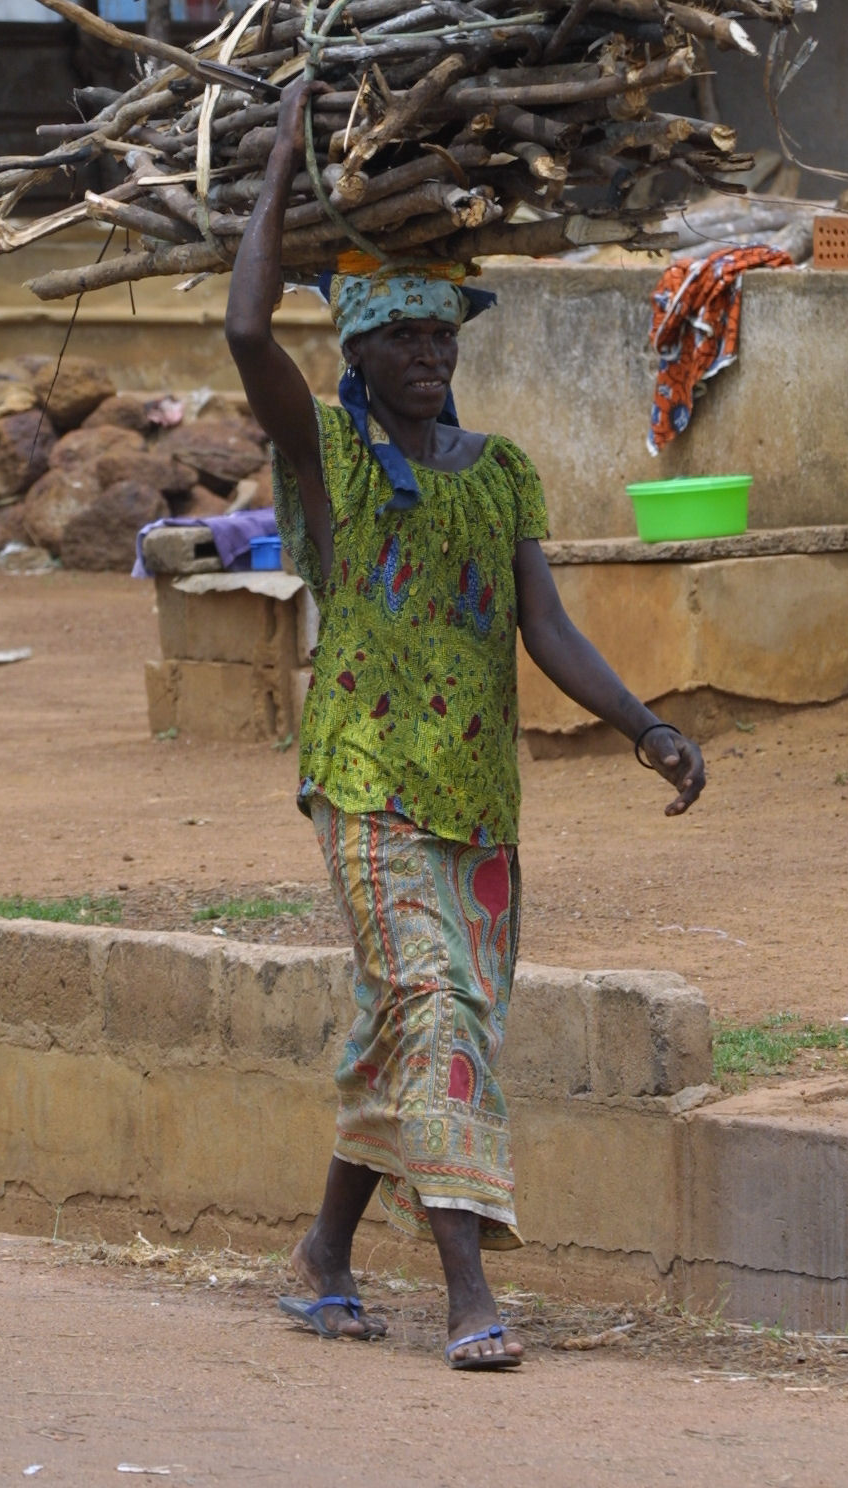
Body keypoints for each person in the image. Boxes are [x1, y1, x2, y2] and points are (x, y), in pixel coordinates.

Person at [224, 78, 707, 1372]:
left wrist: (646, 726)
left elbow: (544, 628)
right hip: (367, 780)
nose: (431, 357)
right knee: (434, 1007)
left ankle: (323, 1257)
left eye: (442, 336)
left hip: (479, 795)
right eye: (404, 340)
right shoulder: (328, 461)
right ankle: (467, 1291)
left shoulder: (498, 475)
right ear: (360, 358)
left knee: (421, 1023)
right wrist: (279, 162)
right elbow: (244, 329)